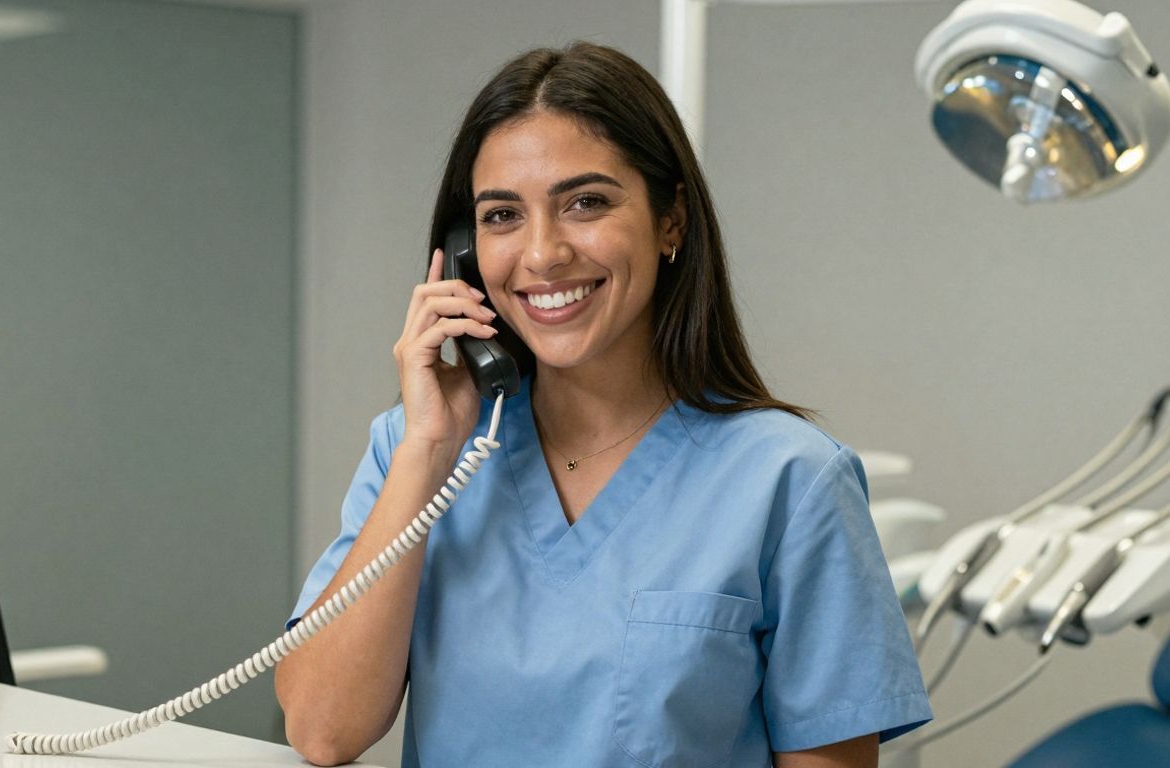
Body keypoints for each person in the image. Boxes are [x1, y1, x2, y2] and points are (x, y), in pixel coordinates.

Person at [275, 41, 931, 768]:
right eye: (501, 216)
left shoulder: (790, 480)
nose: (543, 253)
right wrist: (428, 450)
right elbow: (322, 730)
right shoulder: (418, 452)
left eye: (585, 203)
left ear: (671, 221)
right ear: (464, 253)